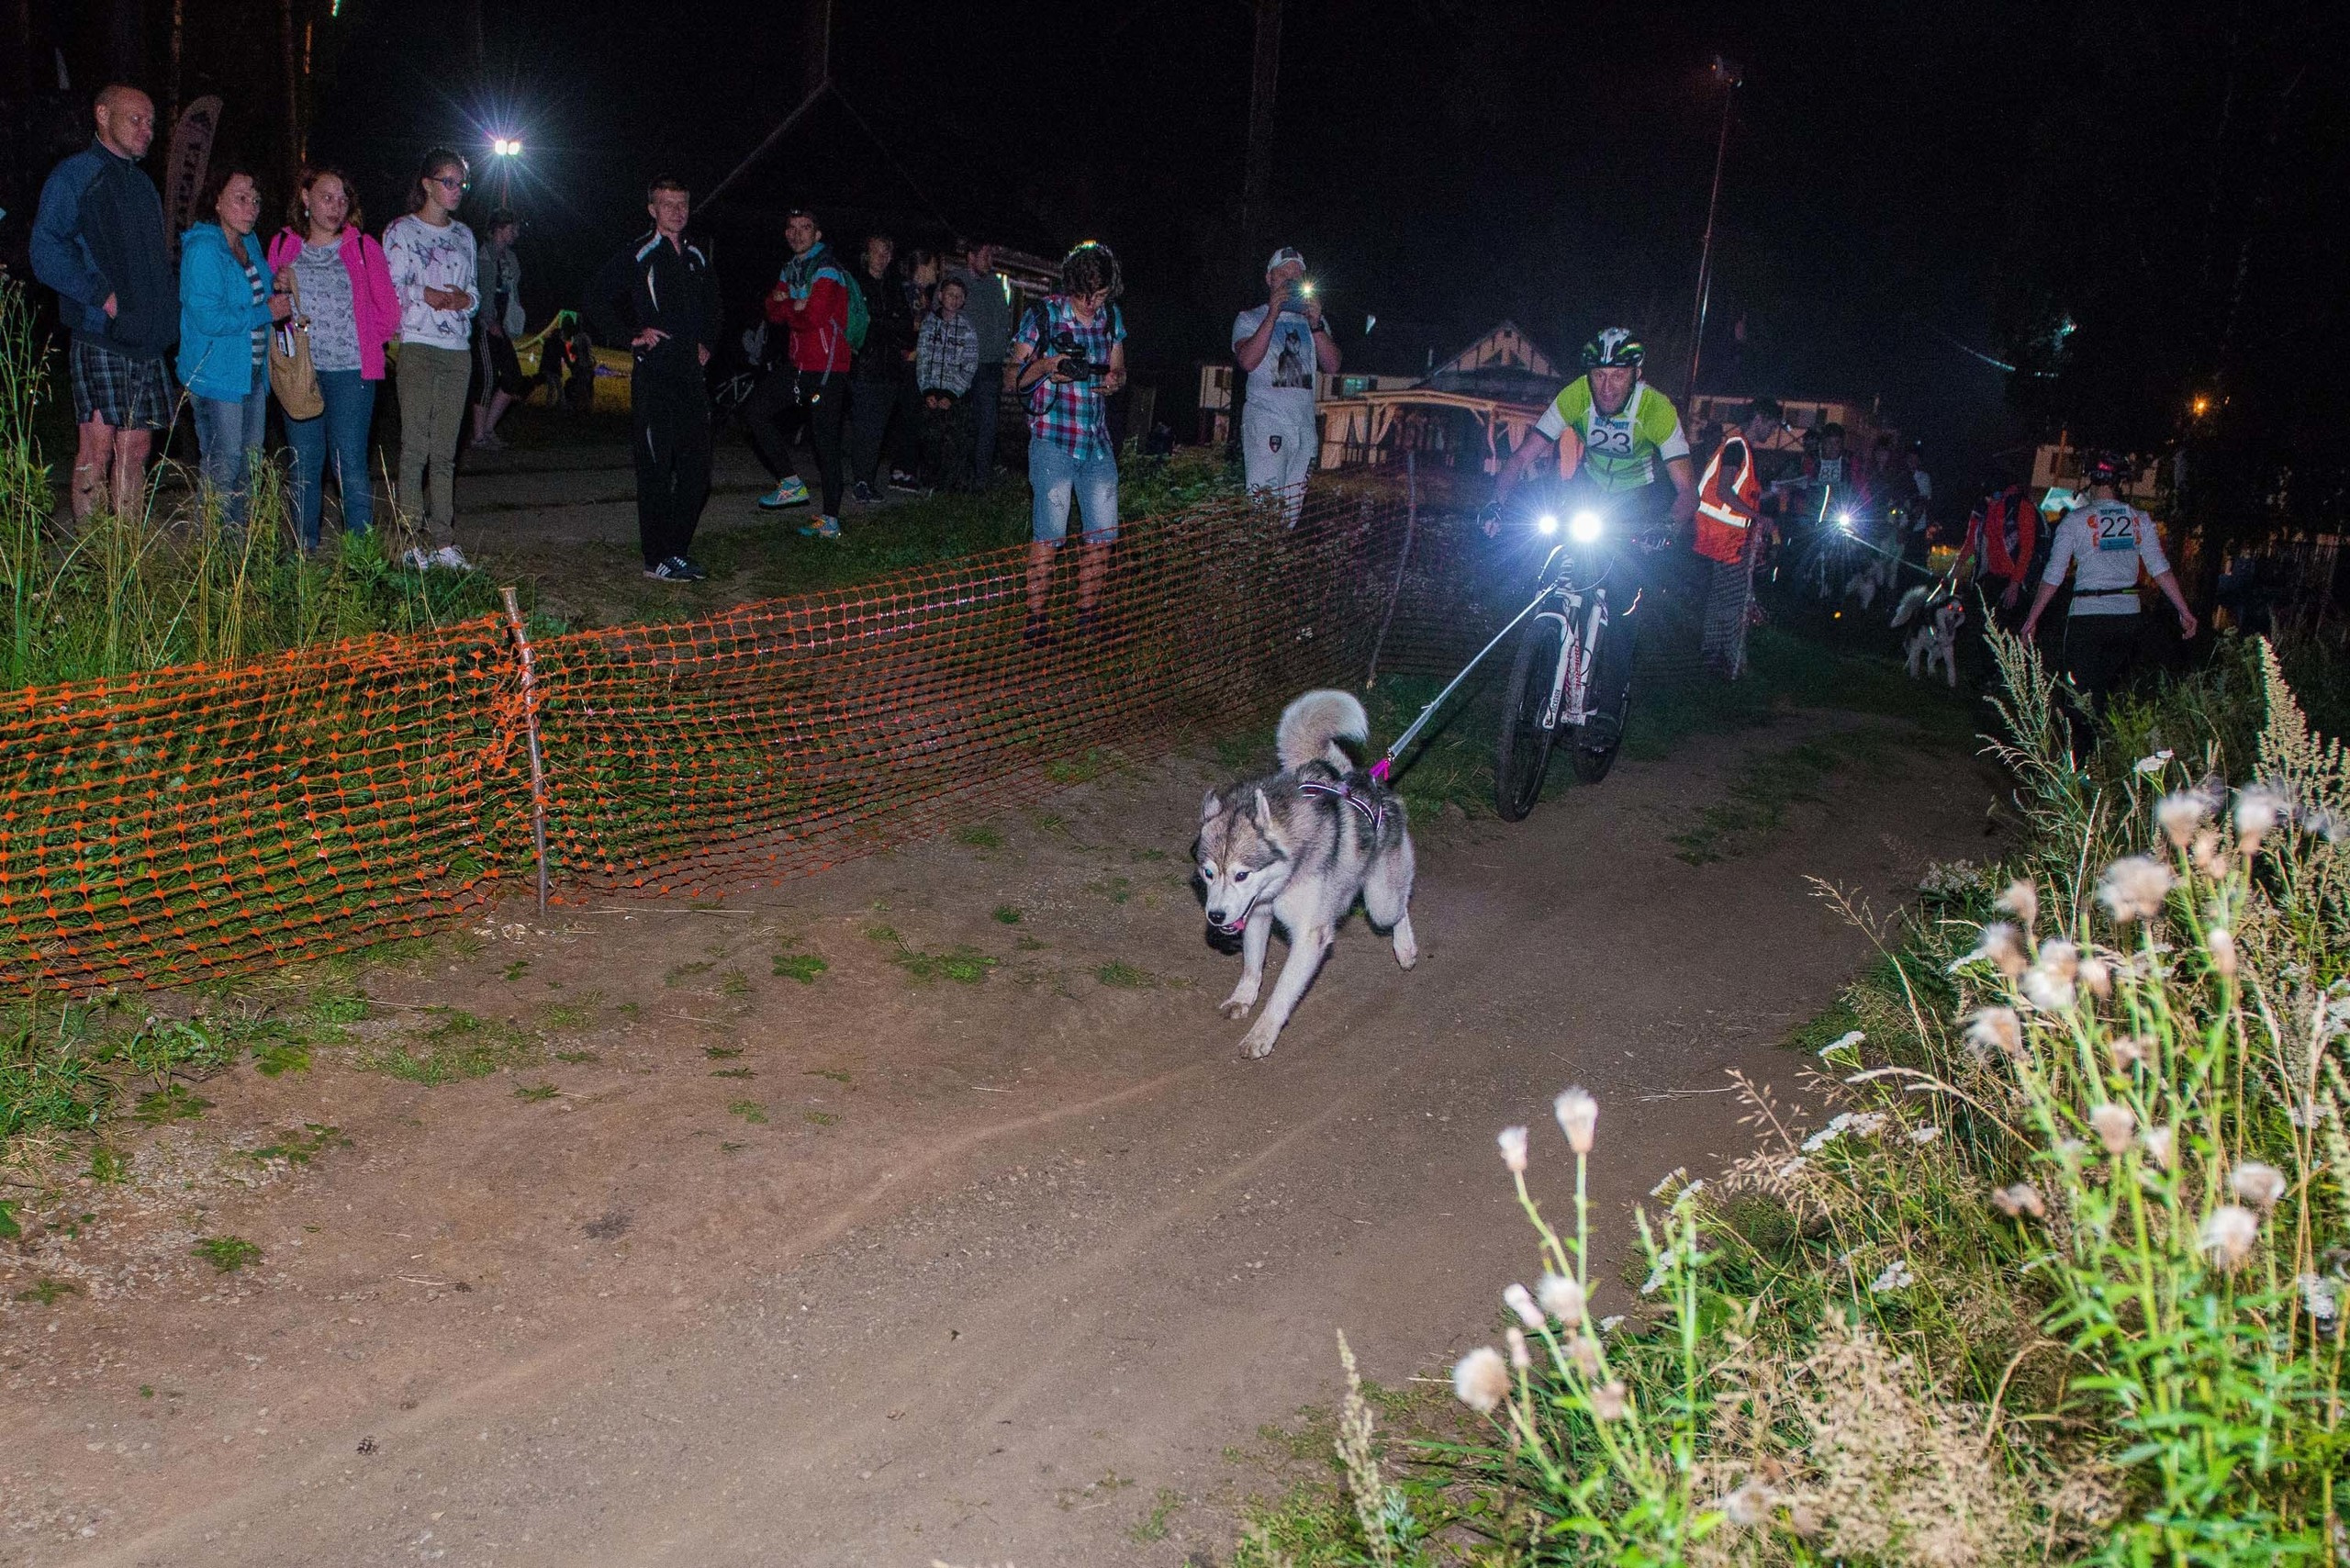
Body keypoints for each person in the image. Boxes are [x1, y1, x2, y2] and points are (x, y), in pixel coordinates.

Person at [1493, 329, 1695, 742]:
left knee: (1621, 603)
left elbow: (1687, 491)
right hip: (1587, 491)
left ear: (1636, 374)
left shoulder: (1657, 409)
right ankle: (1542, 656)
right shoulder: (1574, 396)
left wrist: (1669, 527)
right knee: (1551, 567)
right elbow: (1522, 457)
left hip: (1634, 500)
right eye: (1599, 375)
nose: (1606, 386)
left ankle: (1609, 705)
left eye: (1617, 376)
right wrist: (1496, 502)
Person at [30, 84, 177, 522]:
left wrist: (166, 315)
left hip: (145, 337)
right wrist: (102, 297)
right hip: (101, 332)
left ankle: (125, 555)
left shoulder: (144, 186)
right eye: (135, 119)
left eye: (151, 122)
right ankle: (94, 556)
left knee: (137, 447)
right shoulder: (75, 175)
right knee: (97, 444)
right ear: (101, 114)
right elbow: (45, 249)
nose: (146, 129)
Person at [587, 175, 719, 581]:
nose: (677, 211)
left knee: (698, 469)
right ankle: (655, 558)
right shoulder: (640, 253)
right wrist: (631, 335)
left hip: (690, 377)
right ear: (652, 210)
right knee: (656, 467)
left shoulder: (697, 256)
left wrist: (707, 342)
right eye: (668, 204)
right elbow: (594, 298)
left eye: (683, 203)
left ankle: (676, 551)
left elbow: (715, 306)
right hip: (655, 375)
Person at [267, 166, 400, 549]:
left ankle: (362, 557)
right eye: (327, 197)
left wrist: (361, 343)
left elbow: (389, 312)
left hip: (351, 373)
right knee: (304, 465)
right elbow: (269, 302)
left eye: (343, 200)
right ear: (305, 198)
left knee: (350, 465)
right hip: (301, 373)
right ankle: (302, 552)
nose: (336, 207)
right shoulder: (283, 244)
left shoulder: (362, 247)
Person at [1009, 241, 1128, 646]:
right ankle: (1036, 621)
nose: (1092, 302)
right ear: (1071, 287)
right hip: (1052, 440)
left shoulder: (1111, 317)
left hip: (1096, 442)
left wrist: (1115, 381)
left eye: (1100, 294)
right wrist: (1046, 366)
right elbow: (1012, 378)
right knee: (1049, 534)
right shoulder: (1042, 315)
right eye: (1085, 294)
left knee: (1103, 535)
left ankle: (1087, 619)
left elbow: (1119, 369)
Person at [2019, 454, 2197, 714]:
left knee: (2078, 696)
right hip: (2127, 619)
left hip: (2087, 617)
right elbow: (2161, 570)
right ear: (2120, 483)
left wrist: (2031, 619)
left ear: (2091, 483)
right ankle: (2099, 748)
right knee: (2106, 695)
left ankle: (2081, 750)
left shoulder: (2075, 521)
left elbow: (2054, 574)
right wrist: (2185, 611)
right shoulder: (2140, 519)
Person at [176, 165, 292, 526]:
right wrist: (264, 312)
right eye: (241, 199)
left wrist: (279, 282)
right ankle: (209, 559)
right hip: (216, 375)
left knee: (249, 468)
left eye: (255, 201)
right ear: (218, 202)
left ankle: (238, 558)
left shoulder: (250, 243)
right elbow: (208, 317)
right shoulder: (203, 250)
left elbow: (261, 293)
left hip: (251, 375)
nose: (251, 208)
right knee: (223, 468)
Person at [383, 149, 477, 545]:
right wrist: (425, 292)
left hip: (457, 350)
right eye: (449, 182)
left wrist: (464, 300)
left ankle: (442, 538)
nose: (456, 191)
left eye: (462, 184)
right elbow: (388, 289)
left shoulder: (464, 235)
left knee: (445, 451)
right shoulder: (400, 232)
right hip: (419, 346)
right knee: (415, 447)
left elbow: (474, 292)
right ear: (427, 184)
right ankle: (408, 537)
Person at [748, 207, 855, 537]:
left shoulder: (828, 270)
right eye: (792, 227)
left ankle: (830, 521)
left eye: (805, 227)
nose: (797, 233)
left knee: (825, 443)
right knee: (755, 411)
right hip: (798, 366)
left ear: (818, 234)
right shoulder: (791, 267)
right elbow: (772, 310)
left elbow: (814, 317)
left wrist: (790, 304)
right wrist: (794, 303)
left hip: (828, 369)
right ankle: (791, 483)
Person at [1231, 245, 1338, 525]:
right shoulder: (1249, 318)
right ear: (1270, 279)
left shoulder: (1314, 321)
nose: (1291, 281)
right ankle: (1258, 564)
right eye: (1284, 275)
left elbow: (1333, 365)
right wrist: (1273, 314)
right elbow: (1247, 361)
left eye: (1297, 276)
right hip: (1267, 422)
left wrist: (1316, 326)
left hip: (1303, 428)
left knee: (1289, 517)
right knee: (1264, 510)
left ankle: (1276, 565)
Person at [1692, 397, 1783, 678]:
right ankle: (1728, 658)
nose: (1771, 433)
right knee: (1733, 598)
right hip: (1729, 538)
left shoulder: (1739, 447)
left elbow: (1738, 493)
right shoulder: (1737, 447)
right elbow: (1724, 491)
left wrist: (1767, 496)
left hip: (1722, 536)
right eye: (1771, 425)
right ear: (1759, 419)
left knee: (1721, 596)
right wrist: (1759, 518)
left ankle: (1714, 654)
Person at [848, 233, 918, 504]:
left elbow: (906, 324)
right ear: (868, 254)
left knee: (878, 428)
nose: (884, 257)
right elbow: (865, 324)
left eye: (888, 253)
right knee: (865, 425)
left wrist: (890, 324)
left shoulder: (892, 286)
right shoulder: (857, 284)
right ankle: (862, 480)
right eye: (880, 252)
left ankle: (866, 477)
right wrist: (891, 324)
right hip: (864, 367)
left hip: (890, 369)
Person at [948, 241, 1013, 484]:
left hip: (988, 367)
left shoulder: (995, 286)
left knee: (987, 423)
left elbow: (1003, 322)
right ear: (971, 257)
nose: (990, 261)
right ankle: (955, 476)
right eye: (985, 256)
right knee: (960, 422)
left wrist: (1000, 354)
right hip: (960, 367)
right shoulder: (955, 283)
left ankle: (981, 479)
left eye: (991, 256)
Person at [470, 207, 529, 450]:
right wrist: (488, 319)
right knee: (486, 379)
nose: (515, 233)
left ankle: (487, 430)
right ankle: (479, 436)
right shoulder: (484, 255)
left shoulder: (509, 258)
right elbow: (480, 289)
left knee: (513, 378)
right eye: (511, 227)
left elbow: (512, 290)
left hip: (501, 326)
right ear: (499, 228)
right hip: (485, 325)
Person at [915, 274, 979, 488]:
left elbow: (969, 365)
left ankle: (950, 489)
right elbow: (922, 359)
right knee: (929, 442)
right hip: (932, 394)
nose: (954, 299)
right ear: (941, 296)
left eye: (959, 296)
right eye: (950, 295)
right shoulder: (928, 325)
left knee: (953, 444)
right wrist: (927, 390)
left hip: (955, 398)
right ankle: (928, 485)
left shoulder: (967, 329)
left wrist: (952, 394)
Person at [1954, 483, 2042, 625]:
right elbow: (1971, 541)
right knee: (1979, 621)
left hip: (2017, 578)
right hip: (1992, 574)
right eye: (1986, 498)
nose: (1989, 501)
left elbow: (2027, 549)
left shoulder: (2020, 506)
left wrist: (2014, 584)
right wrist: (1955, 569)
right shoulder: (1982, 508)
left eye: (1992, 497)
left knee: (2006, 626)